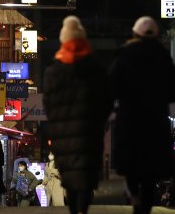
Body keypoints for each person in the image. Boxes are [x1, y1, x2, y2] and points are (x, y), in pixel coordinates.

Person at [107, 16, 175, 214]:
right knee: (150, 170)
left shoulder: (124, 55)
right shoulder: (162, 56)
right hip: (155, 121)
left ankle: (134, 197)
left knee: (131, 166)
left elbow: (110, 88)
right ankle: (146, 208)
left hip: (129, 120)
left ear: (135, 33)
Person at [43, 15, 114, 214]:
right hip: (89, 130)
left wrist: (56, 122)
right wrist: (99, 119)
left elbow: (48, 103)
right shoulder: (96, 68)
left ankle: (74, 209)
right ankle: (83, 209)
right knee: (86, 174)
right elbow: (107, 100)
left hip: (62, 133)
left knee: (68, 174)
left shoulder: (53, 71)